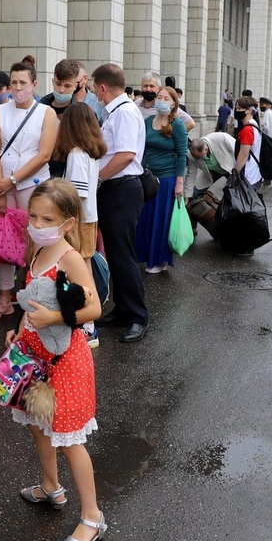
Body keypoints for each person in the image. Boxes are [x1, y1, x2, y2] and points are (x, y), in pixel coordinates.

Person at [6, 179, 106, 541]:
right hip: (35, 357)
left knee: (69, 441)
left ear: (67, 223)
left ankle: (92, 517)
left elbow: (94, 309)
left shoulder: (70, 257)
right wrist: (20, 332)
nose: (36, 222)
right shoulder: (38, 248)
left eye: (47, 218)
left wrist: (53, 319)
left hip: (66, 361)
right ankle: (52, 488)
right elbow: (32, 302)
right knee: (37, 425)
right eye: (33, 215)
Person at [0, 55, 59, 321]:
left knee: (35, 239)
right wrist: (1, 186)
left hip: (32, 183)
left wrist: (12, 181)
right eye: (13, 83)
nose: (17, 88)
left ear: (34, 84)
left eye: (22, 83)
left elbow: (44, 155)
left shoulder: (46, 113)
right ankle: (4, 298)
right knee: (4, 241)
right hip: (2, 183)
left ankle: (34, 298)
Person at [93, 64, 148, 343]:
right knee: (115, 254)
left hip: (121, 189)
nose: (93, 91)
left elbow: (126, 155)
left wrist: (99, 178)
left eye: (94, 86)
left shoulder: (124, 112)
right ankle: (123, 308)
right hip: (115, 189)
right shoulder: (115, 111)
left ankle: (138, 316)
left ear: (103, 88)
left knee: (123, 254)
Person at [56, 101, 107, 348]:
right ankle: (89, 325)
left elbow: (76, 195)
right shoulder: (90, 152)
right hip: (89, 218)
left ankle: (87, 326)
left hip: (77, 221)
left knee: (80, 272)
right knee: (84, 269)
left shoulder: (76, 154)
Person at [135, 86, 188, 273]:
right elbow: (142, 149)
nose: (161, 101)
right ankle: (145, 255)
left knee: (161, 220)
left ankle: (159, 260)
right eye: (160, 97)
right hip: (148, 178)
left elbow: (182, 155)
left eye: (166, 98)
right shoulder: (148, 121)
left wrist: (179, 183)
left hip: (167, 180)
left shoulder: (178, 124)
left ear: (174, 103)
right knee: (146, 218)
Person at [184, 132, 236, 198]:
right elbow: (191, 176)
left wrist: (239, 170)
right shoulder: (191, 156)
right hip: (212, 172)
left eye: (201, 157)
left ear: (206, 149)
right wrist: (187, 197)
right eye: (196, 158)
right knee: (194, 193)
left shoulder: (222, 138)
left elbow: (239, 151)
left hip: (231, 168)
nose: (198, 159)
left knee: (234, 195)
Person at [233, 97, 263, 189]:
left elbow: (243, 154)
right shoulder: (254, 125)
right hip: (254, 174)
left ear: (249, 110)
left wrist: (235, 174)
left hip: (248, 176)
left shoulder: (247, 129)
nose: (236, 111)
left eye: (239, 109)